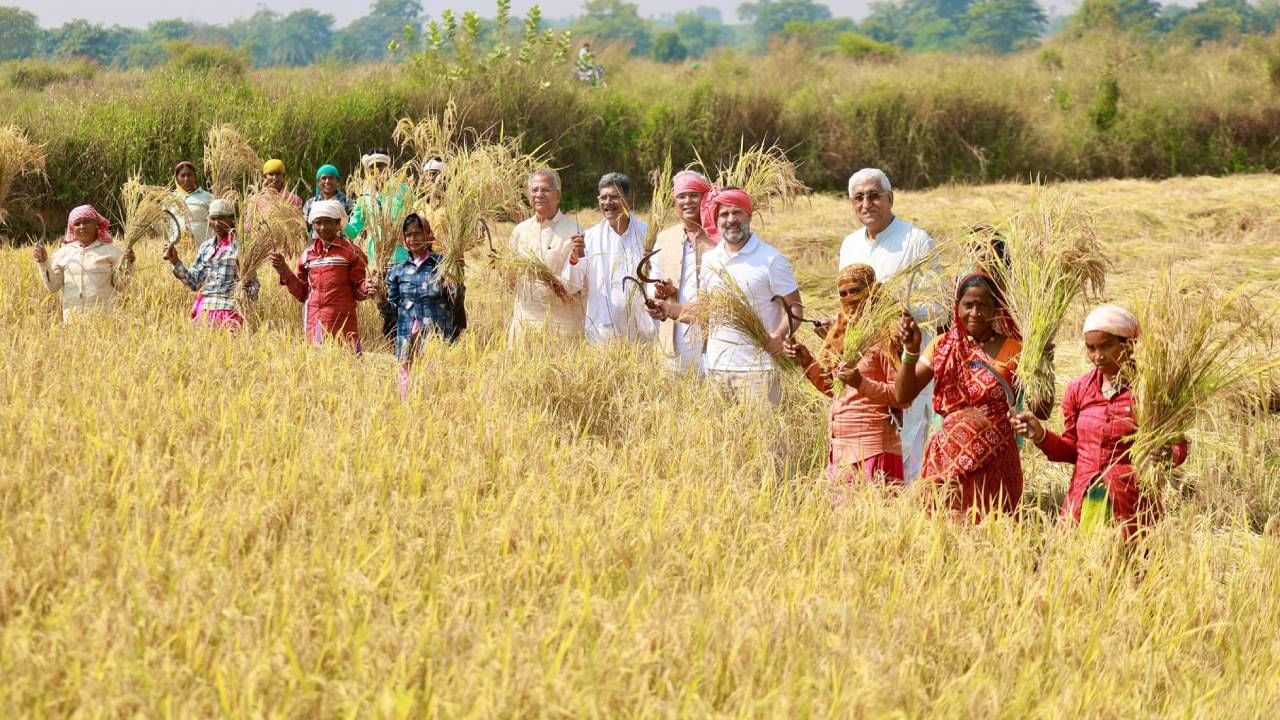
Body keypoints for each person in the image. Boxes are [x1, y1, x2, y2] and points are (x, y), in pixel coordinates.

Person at [1012, 305, 1189, 541]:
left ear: (1130, 344)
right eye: (1091, 348)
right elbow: (1072, 449)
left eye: (1107, 346)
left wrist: (1168, 455)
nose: (1098, 356)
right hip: (1083, 500)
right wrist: (1041, 435)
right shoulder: (1079, 389)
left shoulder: (1152, 390)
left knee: (1132, 569)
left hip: (1132, 503)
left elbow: (1178, 443)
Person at [654, 188, 801, 406]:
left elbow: (796, 308)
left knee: (765, 439)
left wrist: (779, 336)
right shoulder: (711, 260)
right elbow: (703, 312)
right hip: (715, 369)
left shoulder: (771, 259)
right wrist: (668, 310)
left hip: (758, 372)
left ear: (749, 215)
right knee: (727, 440)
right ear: (716, 220)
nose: (731, 220)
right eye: (724, 214)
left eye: (737, 213)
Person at [839, 167, 940, 483]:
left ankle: (905, 515)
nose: (866, 203)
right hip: (863, 367)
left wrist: (895, 308)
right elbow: (847, 303)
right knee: (866, 447)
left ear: (890, 198)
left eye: (874, 195)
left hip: (904, 363)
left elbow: (938, 304)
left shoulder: (915, 241)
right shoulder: (850, 244)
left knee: (906, 445)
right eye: (859, 198)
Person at [895, 272, 1023, 517]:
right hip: (946, 461)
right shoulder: (942, 346)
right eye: (968, 305)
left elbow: (1040, 409)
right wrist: (910, 353)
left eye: (983, 305)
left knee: (994, 538)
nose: (975, 312)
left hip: (996, 463)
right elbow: (903, 395)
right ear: (957, 307)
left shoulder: (1014, 350)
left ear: (997, 309)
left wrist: (1043, 367)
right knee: (944, 537)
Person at [784, 264, 908, 498]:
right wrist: (806, 360)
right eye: (843, 293)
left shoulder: (885, 335)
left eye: (856, 290)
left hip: (874, 448)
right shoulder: (840, 334)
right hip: (840, 448)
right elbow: (835, 390)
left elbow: (901, 397)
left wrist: (861, 382)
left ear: (872, 291)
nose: (850, 298)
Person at [270, 199, 374, 350]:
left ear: (338, 224)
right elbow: (302, 293)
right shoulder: (307, 255)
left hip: (343, 321)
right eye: (318, 223)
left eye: (328, 222)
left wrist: (367, 288)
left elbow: (358, 290)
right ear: (313, 225)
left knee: (347, 364)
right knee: (318, 366)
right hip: (314, 321)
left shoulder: (352, 252)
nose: (323, 227)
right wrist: (284, 269)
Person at [565, 172, 656, 343]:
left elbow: (658, 282)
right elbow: (572, 286)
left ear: (629, 200)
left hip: (642, 330)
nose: (608, 202)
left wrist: (651, 265)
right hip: (602, 332)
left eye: (614, 197)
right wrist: (576, 259)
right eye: (603, 197)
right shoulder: (588, 238)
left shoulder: (649, 235)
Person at [507, 168, 586, 340]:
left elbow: (579, 284)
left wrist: (556, 283)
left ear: (557, 196)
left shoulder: (576, 232)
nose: (539, 194)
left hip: (561, 326)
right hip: (525, 322)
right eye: (534, 190)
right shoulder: (520, 231)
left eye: (545, 190)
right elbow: (511, 280)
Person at [650, 170, 715, 372]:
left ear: (706, 198)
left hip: (712, 342)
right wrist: (662, 291)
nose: (688, 201)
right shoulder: (664, 238)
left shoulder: (719, 238)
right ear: (674, 201)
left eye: (694, 194)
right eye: (682, 196)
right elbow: (652, 284)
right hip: (673, 339)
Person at [377, 213, 464, 361]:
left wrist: (458, 277)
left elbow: (456, 302)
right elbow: (393, 313)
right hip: (407, 343)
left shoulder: (443, 265)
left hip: (437, 341)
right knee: (408, 383)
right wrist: (381, 301)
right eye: (408, 235)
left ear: (428, 235)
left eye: (417, 233)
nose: (412, 239)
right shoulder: (397, 271)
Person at [163, 199, 258, 329]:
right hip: (205, 312)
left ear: (232, 219)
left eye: (221, 218)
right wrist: (175, 262)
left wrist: (244, 285)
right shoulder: (206, 247)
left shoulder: (241, 248)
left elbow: (255, 288)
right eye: (213, 219)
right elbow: (194, 283)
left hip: (230, 312)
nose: (217, 223)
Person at [33, 205, 133, 320]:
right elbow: (53, 287)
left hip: (104, 322)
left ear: (96, 225)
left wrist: (128, 265)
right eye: (77, 223)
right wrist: (43, 262)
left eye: (86, 222)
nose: (82, 226)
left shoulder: (112, 252)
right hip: (73, 322)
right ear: (72, 228)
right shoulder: (63, 253)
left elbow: (120, 286)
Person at [173, 160, 213, 244]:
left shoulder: (207, 197)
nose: (186, 179)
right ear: (176, 178)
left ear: (195, 177)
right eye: (182, 176)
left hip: (203, 247)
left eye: (189, 175)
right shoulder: (170, 198)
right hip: (177, 249)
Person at [302, 164, 352, 230]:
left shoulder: (348, 202)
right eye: (323, 178)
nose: (327, 181)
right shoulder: (310, 203)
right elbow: (305, 227)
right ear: (318, 182)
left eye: (331, 178)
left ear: (337, 182)